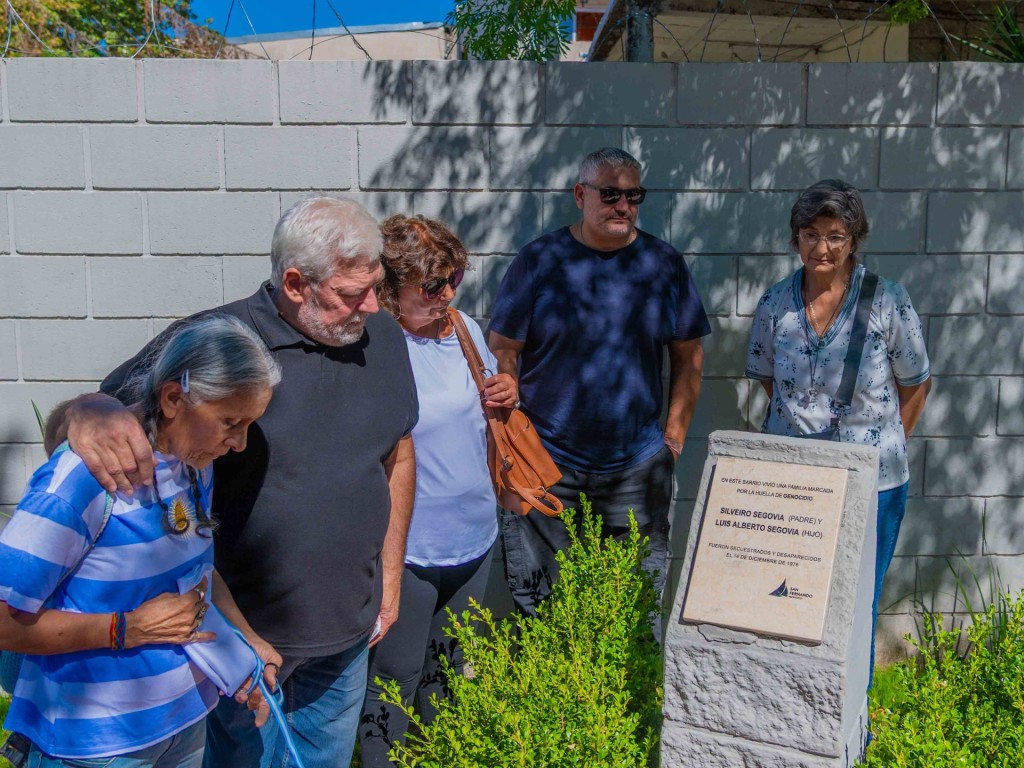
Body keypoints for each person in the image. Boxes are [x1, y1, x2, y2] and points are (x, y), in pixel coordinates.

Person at [53, 198, 419, 768]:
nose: (372, 306)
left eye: (376, 286)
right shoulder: (218, 342)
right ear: (296, 283)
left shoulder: (384, 339)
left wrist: (391, 577)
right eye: (353, 293)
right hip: (231, 642)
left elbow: (398, 451)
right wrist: (82, 412)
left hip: (346, 633)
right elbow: (99, 418)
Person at [0, 315, 282, 768]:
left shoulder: (194, 464)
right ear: (173, 398)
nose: (241, 443)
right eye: (231, 421)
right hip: (95, 747)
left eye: (249, 423)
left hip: (184, 724)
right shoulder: (84, 478)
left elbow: (197, 575)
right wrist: (124, 629)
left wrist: (248, 642)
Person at [488, 147, 712, 627]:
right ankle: (554, 698)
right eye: (610, 194)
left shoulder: (663, 263)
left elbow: (689, 358)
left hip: (636, 468)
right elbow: (505, 344)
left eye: (633, 195)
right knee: (542, 606)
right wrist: (508, 383)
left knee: (634, 612)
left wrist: (671, 441)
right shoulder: (539, 260)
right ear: (580, 195)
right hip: (546, 462)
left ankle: (630, 700)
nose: (623, 206)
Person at [745, 178, 931, 668]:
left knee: (855, 604)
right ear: (795, 238)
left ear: (854, 240)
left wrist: (877, 447)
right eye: (810, 234)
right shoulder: (775, 304)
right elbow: (769, 381)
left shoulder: (889, 301)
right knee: (788, 597)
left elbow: (915, 387)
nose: (821, 247)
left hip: (874, 484)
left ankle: (853, 730)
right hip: (794, 482)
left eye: (835, 236)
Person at [357, 215, 518, 766]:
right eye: (432, 285)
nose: (448, 293)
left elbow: (485, 409)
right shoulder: (375, 345)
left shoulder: (466, 330)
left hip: (473, 538)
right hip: (409, 549)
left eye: (455, 279)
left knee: (448, 678)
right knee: (394, 680)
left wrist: (506, 390)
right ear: (389, 290)